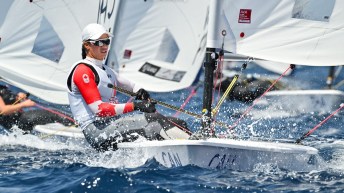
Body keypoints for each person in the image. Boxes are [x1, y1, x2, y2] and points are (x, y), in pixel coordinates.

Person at [66, 23, 191, 151]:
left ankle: (198, 141)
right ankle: (188, 148)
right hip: (97, 132)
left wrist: (140, 91)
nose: (104, 46)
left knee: (178, 122)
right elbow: (99, 110)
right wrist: (136, 106)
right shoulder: (82, 71)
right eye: (99, 42)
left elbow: (131, 85)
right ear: (87, 45)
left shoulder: (106, 70)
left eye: (107, 41)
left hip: (112, 125)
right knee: (154, 123)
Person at [0, 84, 74, 132]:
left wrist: (17, 98)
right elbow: (3, 110)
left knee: (56, 113)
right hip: (17, 122)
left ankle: (74, 124)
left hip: (19, 119)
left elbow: (7, 101)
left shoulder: (2, 87)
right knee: (54, 114)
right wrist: (23, 104)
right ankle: (76, 124)